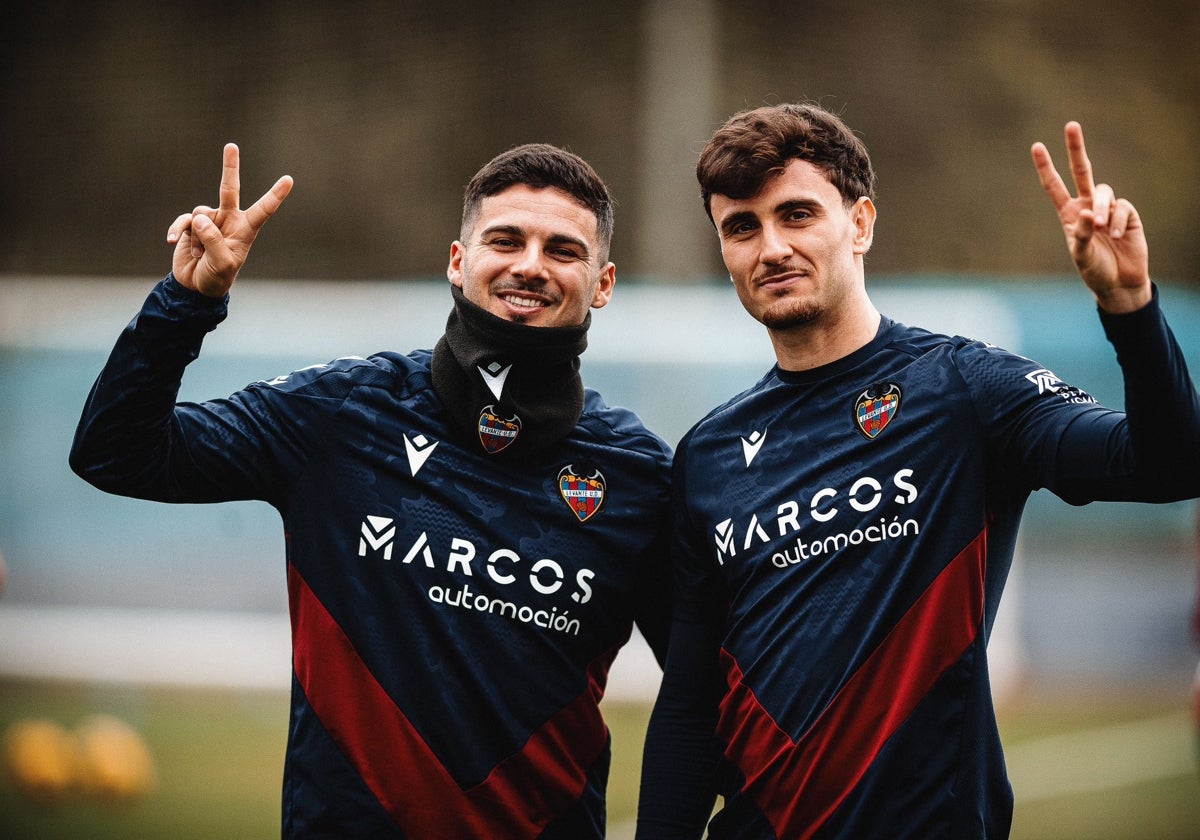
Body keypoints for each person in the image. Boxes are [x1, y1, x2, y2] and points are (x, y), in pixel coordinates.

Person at [70, 142, 673, 838]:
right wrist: (187, 302)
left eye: (562, 249)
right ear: (458, 261)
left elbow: (706, 691)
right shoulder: (344, 412)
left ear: (602, 282)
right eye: (505, 239)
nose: (530, 264)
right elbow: (114, 454)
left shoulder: (637, 475)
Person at [635, 103, 1200, 838]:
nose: (770, 247)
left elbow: (1169, 467)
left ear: (860, 223)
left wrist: (1130, 307)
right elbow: (690, 703)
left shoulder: (965, 388)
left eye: (797, 214)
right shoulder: (709, 452)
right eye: (742, 227)